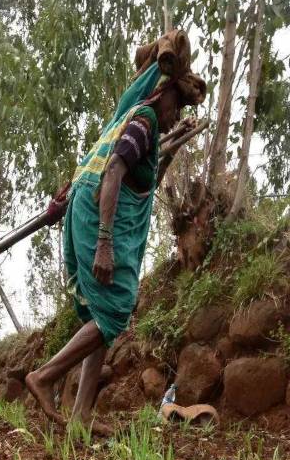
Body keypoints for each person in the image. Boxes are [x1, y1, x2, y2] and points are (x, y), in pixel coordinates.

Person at [25, 31, 207, 435]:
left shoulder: (144, 128)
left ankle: (81, 416)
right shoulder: (143, 121)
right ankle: (44, 377)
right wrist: (104, 243)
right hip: (96, 216)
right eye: (177, 106)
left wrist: (174, 145)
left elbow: (145, 181)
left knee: (101, 318)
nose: (176, 117)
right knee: (116, 309)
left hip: (85, 209)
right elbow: (113, 173)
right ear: (163, 94)